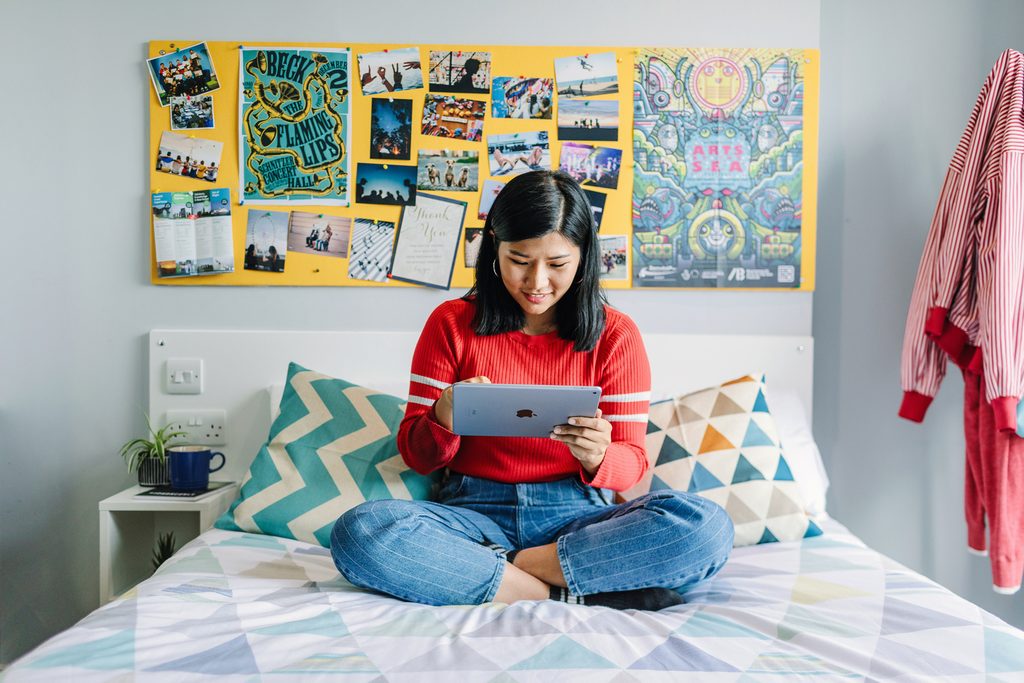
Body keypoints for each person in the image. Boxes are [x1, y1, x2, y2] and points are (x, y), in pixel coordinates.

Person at [331, 170, 734, 611]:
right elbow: (416, 456)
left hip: (580, 519)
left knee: (707, 528)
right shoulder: (450, 323)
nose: (537, 282)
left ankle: (498, 570)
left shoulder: (617, 336)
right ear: (494, 249)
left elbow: (632, 467)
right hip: (472, 514)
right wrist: (442, 417)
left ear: (583, 257)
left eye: (557, 264)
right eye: (519, 260)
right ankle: (562, 592)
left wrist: (598, 454)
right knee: (360, 531)